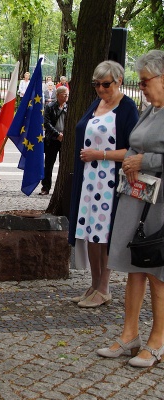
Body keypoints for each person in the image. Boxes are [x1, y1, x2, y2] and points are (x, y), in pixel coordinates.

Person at [97, 50, 164, 368]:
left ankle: (157, 342)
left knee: (157, 273)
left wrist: (145, 160)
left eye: (146, 82)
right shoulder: (151, 110)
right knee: (134, 269)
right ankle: (129, 335)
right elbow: (136, 144)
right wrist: (130, 160)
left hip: (159, 206)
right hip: (136, 198)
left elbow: (148, 154)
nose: (143, 88)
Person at [68, 60, 139, 308]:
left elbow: (134, 150)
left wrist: (100, 155)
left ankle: (104, 288)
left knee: (103, 235)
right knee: (90, 233)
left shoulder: (127, 108)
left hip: (109, 182)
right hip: (89, 180)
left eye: (105, 84)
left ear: (119, 81)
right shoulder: (97, 104)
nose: (100, 89)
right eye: (96, 84)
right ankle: (94, 284)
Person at [39, 86, 69, 195]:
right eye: (64, 94)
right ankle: (45, 187)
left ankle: (62, 188)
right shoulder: (50, 107)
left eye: (67, 94)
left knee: (64, 164)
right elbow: (47, 123)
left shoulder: (69, 107)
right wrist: (57, 134)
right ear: (58, 95)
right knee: (49, 164)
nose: (66, 96)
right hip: (52, 139)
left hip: (65, 140)